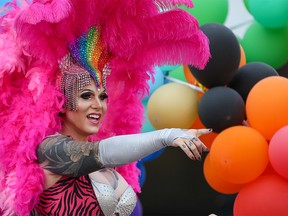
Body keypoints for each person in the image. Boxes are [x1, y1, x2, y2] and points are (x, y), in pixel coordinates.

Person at [0, 0, 211, 215]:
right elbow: (103, 152)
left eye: (103, 96)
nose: (98, 105)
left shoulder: (104, 163)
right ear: (62, 103)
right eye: (86, 96)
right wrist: (166, 136)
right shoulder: (50, 150)